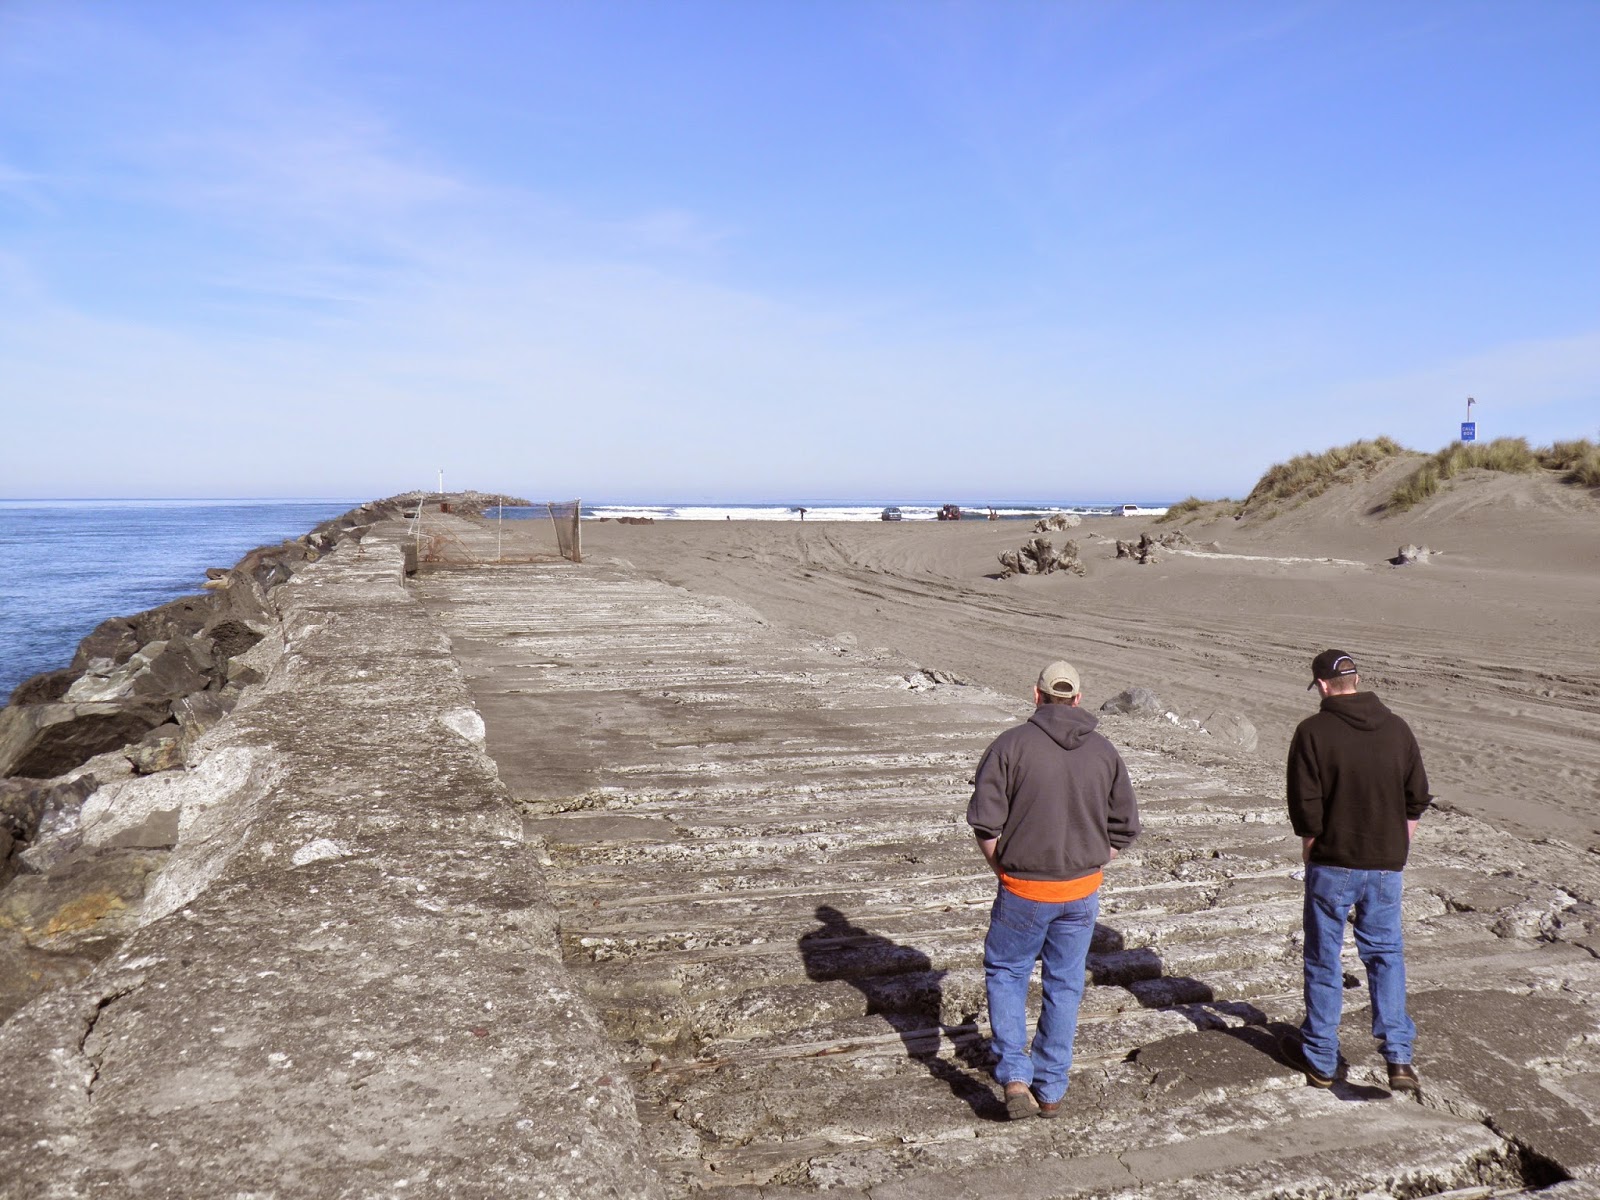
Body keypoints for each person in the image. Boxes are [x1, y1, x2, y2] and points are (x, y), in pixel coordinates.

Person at [967, 660, 1141, 1119]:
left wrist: (1002, 868)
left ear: (1036, 695)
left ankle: (1015, 1076)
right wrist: (1092, 861)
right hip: (1081, 892)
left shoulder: (1009, 745)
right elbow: (1125, 828)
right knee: (1064, 985)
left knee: (1008, 974)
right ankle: (1050, 1089)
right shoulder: (1104, 751)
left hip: (1023, 889)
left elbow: (985, 824)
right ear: (1078, 699)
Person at [1281, 649, 1432, 1093]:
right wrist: (1399, 843)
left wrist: (1310, 849)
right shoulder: (1397, 727)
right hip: (1386, 865)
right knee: (1386, 955)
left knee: (1323, 958)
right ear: (1356, 680)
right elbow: (1417, 797)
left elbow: (1305, 804)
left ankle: (1321, 1060)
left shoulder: (1312, 731)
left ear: (1322, 685)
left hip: (1333, 862)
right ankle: (1399, 1058)